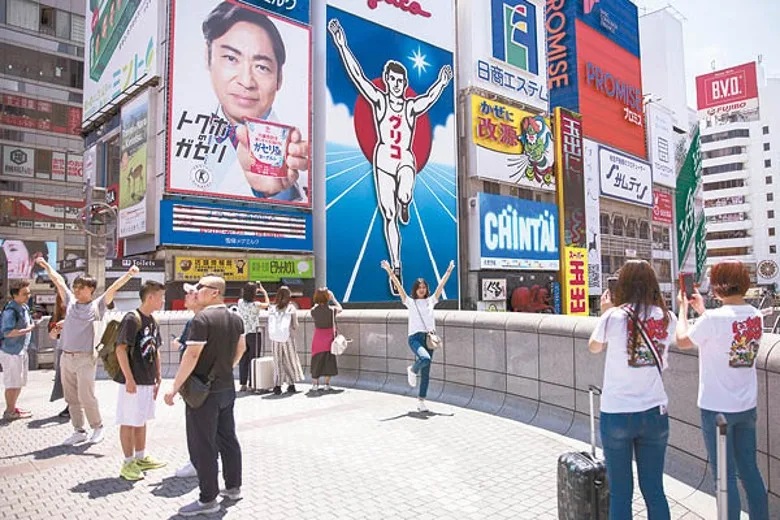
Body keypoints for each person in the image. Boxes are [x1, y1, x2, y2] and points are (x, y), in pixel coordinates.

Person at [329, 19, 453, 295]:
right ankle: (397, 265)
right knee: (388, 215)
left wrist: (443, 82)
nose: (396, 84)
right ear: (387, 81)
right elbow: (357, 76)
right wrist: (341, 43)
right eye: (392, 80)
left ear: (404, 83)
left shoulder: (410, 107)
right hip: (383, 158)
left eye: (400, 81)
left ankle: (405, 199)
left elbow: (430, 98)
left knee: (406, 189)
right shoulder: (380, 101)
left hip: (404, 158)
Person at [676, 261, 769, 520]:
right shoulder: (756, 315)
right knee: (750, 470)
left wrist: (683, 310)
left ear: (717, 287)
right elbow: (728, 337)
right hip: (746, 406)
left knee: (725, 477)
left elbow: (683, 340)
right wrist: (703, 311)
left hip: (717, 410)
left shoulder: (712, 320)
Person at [587, 260, 676, 520]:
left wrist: (605, 311)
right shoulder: (667, 317)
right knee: (655, 491)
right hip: (654, 412)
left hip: (617, 413)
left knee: (620, 494)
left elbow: (594, 346)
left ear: (622, 285)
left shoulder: (614, 317)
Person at [201, 1, 309, 201]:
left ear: (279, 78)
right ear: (208, 59)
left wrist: (274, 194)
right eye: (231, 59)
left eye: (261, 67)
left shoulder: (300, 150)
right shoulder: (182, 131)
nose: (246, 81)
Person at [164, 276, 246, 517]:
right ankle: (233, 488)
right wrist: (225, 367)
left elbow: (191, 355)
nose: (196, 291)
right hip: (226, 388)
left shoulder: (202, 319)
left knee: (204, 445)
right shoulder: (235, 317)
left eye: (200, 288)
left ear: (214, 293)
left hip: (203, 394)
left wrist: (174, 388)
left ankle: (208, 499)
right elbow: (241, 348)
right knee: (228, 438)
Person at [36, 257, 140, 446]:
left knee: (86, 396)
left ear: (90, 290)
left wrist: (129, 274)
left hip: (85, 358)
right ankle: (78, 430)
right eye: (75, 286)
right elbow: (59, 280)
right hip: (66, 356)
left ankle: (98, 427)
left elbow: (113, 288)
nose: (76, 290)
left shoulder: (97, 305)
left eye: (81, 287)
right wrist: (46, 266)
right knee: (71, 397)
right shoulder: (70, 303)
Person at [380, 259, 454, 412]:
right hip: (414, 338)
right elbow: (398, 286)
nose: (422, 289)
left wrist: (448, 271)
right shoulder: (410, 301)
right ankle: (412, 370)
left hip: (429, 339)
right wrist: (389, 270)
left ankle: (421, 401)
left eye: (424, 287)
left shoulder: (431, 301)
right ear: (415, 289)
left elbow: (441, 286)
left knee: (426, 372)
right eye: (419, 287)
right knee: (425, 359)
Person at [114, 281, 167, 481]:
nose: (162, 300)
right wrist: (128, 378)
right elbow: (120, 349)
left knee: (141, 420)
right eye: (160, 297)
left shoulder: (153, 319)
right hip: (133, 381)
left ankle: (140, 457)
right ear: (150, 297)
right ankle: (127, 463)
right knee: (128, 420)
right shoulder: (131, 319)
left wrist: (159, 375)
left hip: (147, 379)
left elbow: (156, 348)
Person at [173, 283, 205, 479]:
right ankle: (208, 460)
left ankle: (196, 462)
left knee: (195, 424)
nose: (186, 296)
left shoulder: (196, 323)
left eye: (191, 293)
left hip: (196, 383)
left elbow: (191, 354)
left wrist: (175, 387)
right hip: (213, 382)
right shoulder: (220, 318)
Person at [1, 280, 35, 420]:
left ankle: (13, 407)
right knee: (12, 383)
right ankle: (9, 411)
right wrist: (27, 330)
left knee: (19, 382)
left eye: (28, 292)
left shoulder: (24, 307)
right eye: (25, 293)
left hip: (21, 350)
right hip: (11, 352)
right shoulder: (11, 310)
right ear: (15, 295)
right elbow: (7, 333)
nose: (28, 295)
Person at [267, 286, 304, 395]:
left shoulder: (273, 308)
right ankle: (291, 384)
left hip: (275, 338)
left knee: (278, 361)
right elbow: (295, 325)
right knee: (290, 361)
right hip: (287, 338)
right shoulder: (291, 308)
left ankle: (277, 386)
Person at [236, 282, 269, 391]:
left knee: (243, 359)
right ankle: (252, 383)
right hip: (254, 333)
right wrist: (264, 291)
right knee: (254, 359)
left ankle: (243, 384)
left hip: (242, 334)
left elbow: (243, 296)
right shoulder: (256, 304)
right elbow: (267, 305)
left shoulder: (240, 302)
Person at [309, 287, 342, 392]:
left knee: (316, 362)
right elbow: (340, 308)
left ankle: (315, 385)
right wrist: (333, 299)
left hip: (317, 339)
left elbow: (315, 307)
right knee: (328, 363)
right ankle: (327, 385)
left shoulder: (313, 310)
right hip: (329, 339)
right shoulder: (332, 310)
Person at [48, 292, 69, 418]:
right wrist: (56, 330)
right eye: (62, 301)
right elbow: (51, 336)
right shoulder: (56, 316)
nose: (65, 304)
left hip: (77, 351)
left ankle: (73, 407)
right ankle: (70, 405)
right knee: (63, 380)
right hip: (62, 349)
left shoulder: (77, 314)